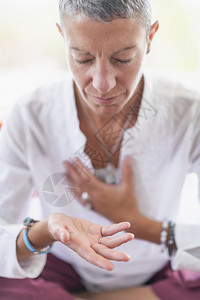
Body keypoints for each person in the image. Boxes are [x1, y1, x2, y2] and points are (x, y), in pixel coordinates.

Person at [0, 0, 200, 299]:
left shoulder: (188, 111)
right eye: (82, 58)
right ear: (62, 37)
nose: (103, 84)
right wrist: (47, 229)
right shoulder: (31, 114)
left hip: (160, 266)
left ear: (150, 38)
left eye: (123, 58)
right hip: (61, 265)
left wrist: (143, 225)